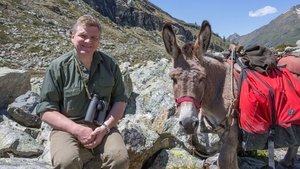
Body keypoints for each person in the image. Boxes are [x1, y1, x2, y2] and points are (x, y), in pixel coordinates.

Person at [35, 14, 129, 169]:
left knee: (119, 159)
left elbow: (120, 100)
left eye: (94, 38)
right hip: (67, 128)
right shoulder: (58, 67)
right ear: (72, 36)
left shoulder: (110, 65)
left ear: (99, 41)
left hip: (103, 126)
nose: (88, 41)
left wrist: (105, 127)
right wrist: (77, 130)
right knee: (66, 161)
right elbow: (46, 110)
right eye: (83, 36)